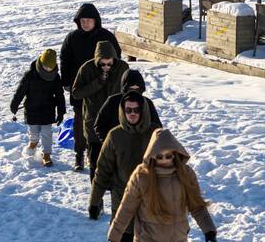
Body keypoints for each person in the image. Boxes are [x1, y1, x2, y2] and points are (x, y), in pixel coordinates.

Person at [107, 129, 217, 242]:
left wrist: (209, 231)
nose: (164, 160)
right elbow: (126, 208)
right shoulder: (141, 176)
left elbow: (197, 206)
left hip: (178, 238)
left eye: (168, 156)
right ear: (152, 155)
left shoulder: (185, 174)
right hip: (148, 238)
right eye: (159, 157)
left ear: (174, 154)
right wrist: (114, 237)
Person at [60, 4, 121, 171]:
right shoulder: (72, 38)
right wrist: (66, 81)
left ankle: (105, 154)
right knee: (80, 122)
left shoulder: (106, 37)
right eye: (82, 20)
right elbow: (64, 60)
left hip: (105, 88)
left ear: (96, 21)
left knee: (105, 120)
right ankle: (79, 154)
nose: (85, 23)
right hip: (81, 87)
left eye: (89, 20)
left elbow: (117, 59)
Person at [90, 92, 158, 236]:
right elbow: (102, 171)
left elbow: (172, 169)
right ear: (123, 111)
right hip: (122, 201)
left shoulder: (155, 134)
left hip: (151, 202)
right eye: (128, 110)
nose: (132, 114)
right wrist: (94, 201)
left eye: (136, 110)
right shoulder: (115, 136)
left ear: (143, 110)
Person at [71, 40, 129, 182]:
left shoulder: (122, 67)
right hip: (93, 121)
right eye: (102, 64)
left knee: (117, 160)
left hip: (116, 120)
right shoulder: (86, 69)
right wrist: (98, 82)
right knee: (95, 162)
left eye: (109, 64)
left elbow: (130, 88)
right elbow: (76, 93)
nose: (106, 67)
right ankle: (97, 199)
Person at [10, 48, 65, 168]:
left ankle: (46, 154)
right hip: (31, 109)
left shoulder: (55, 77)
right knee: (33, 132)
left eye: (51, 68)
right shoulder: (30, 75)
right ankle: (33, 143)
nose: (48, 70)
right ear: (41, 63)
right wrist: (14, 104)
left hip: (48, 110)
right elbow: (20, 91)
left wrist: (61, 112)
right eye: (46, 67)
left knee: (46, 133)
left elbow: (60, 96)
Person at [94, 69, 163, 145]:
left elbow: (157, 128)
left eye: (137, 89)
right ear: (125, 88)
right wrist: (109, 143)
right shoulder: (112, 101)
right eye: (130, 89)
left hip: (142, 148)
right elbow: (99, 125)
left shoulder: (147, 103)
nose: (134, 92)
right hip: (117, 147)